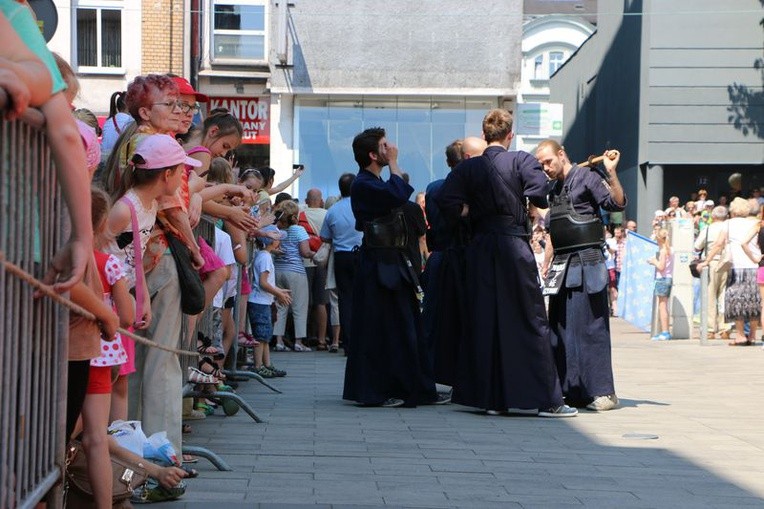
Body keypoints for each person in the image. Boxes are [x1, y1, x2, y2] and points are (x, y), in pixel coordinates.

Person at [434, 111, 573, 417]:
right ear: (510, 135)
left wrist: (467, 213)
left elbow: (445, 200)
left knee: (483, 320)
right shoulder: (521, 160)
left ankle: (488, 398)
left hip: (481, 246)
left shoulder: (469, 168)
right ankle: (547, 399)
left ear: (485, 136)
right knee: (530, 318)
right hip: (513, 244)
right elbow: (540, 193)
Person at [343, 127, 447, 408]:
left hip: (392, 261)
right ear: (373, 154)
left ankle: (413, 387)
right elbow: (398, 193)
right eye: (384, 145)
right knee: (381, 328)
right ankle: (377, 389)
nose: (391, 148)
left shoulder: (372, 181)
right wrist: (393, 162)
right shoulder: (363, 183)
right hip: (378, 263)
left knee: (403, 325)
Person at [536, 139, 625, 412]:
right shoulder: (555, 189)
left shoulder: (587, 176)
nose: (546, 168)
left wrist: (611, 171)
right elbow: (554, 231)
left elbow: (616, 203)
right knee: (560, 329)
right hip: (562, 267)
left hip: (588, 263)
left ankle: (603, 392)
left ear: (561, 154)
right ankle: (570, 389)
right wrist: (547, 263)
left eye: (548, 161)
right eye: (541, 165)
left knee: (591, 328)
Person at [425, 136, 486, 386]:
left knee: (435, 320)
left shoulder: (433, 188)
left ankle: (435, 372)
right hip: (458, 258)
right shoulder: (459, 191)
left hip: (439, 257)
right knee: (459, 319)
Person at [698, 197, 761, 345]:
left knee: (736, 301)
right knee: (754, 301)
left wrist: (706, 261)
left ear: (732, 210)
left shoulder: (728, 224)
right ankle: (752, 335)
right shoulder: (755, 223)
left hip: (737, 267)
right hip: (754, 266)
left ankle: (740, 335)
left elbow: (719, 244)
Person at [320, 173, 363, 354]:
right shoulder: (363, 207)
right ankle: (363, 341)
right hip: (362, 254)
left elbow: (324, 237)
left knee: (345, 299)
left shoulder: (333, 210)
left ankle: (348, 343)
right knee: (363, 297)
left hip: (342, 256)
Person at [248, 224, 292, 377]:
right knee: (261, 336)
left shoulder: (264, 256)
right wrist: (278, 293)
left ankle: (266, 364)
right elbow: (263, 282)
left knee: (265, 335)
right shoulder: (265, 257)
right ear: (270, 241)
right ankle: (258, 365)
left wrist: (278, 291)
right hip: (259, 301)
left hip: (263, 301)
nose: (279, 241)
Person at [272, 199, 315, 352]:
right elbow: (304, 252)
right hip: (296, 271)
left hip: (278, 270)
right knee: (299, 306)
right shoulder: (299, 230)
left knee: (280, 306)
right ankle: (299, 341)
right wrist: (315, 254)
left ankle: (278, 340)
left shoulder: (277, 230)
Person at [299, 188, 331, 350]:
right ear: (320, 200)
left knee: (305, 302)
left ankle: (303, 337)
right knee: (321, 302)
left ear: (306, 200)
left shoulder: (301, 214)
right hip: (322, 262)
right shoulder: (326, 214)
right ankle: (321, 339)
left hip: (305, 261)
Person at [694, 205, 731, 339]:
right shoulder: (728, 228)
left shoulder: (708, 229)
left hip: (711, 262)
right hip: (727, 262)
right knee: (724, 296)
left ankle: (710, 329)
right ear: (726, 216)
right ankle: (725, 328)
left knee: (710, 297)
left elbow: (697, 246)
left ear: (713, 217)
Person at [648, 229, 673, 340]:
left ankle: (665, 331)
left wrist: (654, 261)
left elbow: (661, 267)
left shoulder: (663, 251)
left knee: (662, 306)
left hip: (662, 279)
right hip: (668, 278)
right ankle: (664, 330)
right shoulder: (671, 250)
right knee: (663, 305)